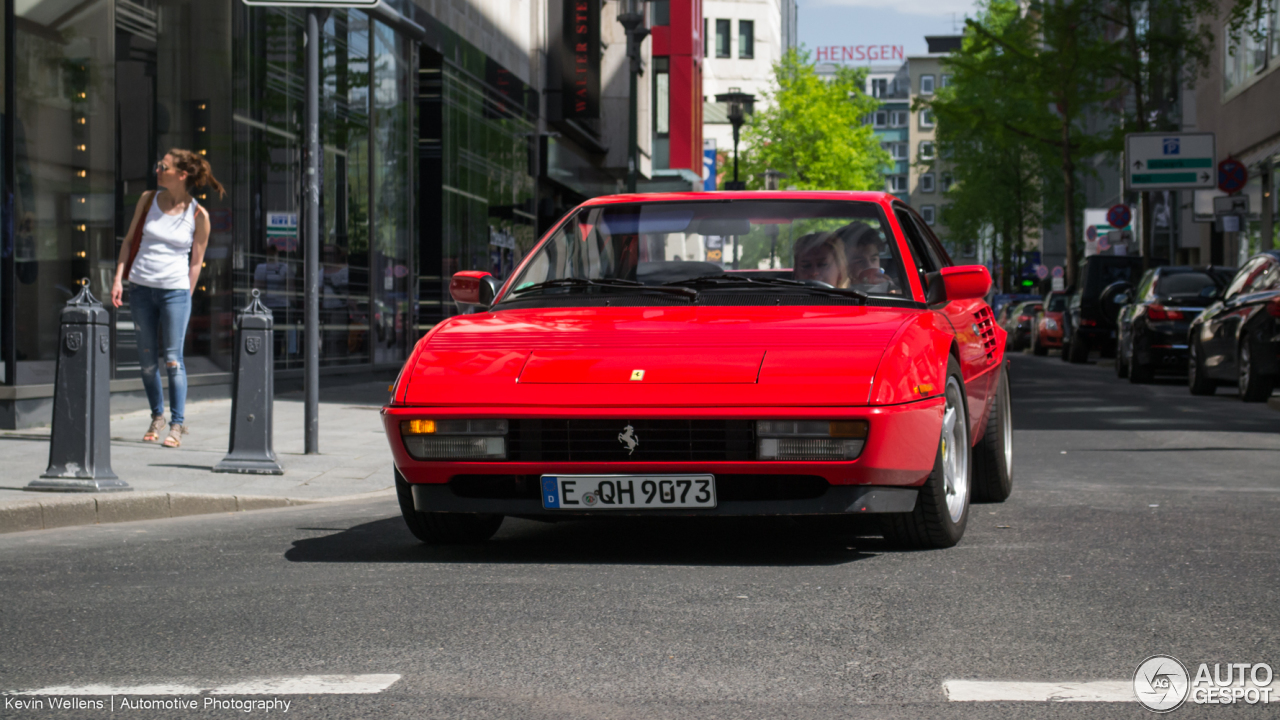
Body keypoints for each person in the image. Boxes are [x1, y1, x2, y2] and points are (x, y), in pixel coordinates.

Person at [110, 149, 225, 447]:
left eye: (163, 166)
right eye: (158, 164)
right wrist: (118, 279)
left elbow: (197, 262)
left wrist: (185, 293)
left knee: (173, 360)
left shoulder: (199, 215)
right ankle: (156, 417)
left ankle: (177, 425)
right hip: (140, 289)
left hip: (175, 292)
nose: (157, 170)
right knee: (147, 362)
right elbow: (129, 240)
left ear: (181, 174)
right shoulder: (148, 199)